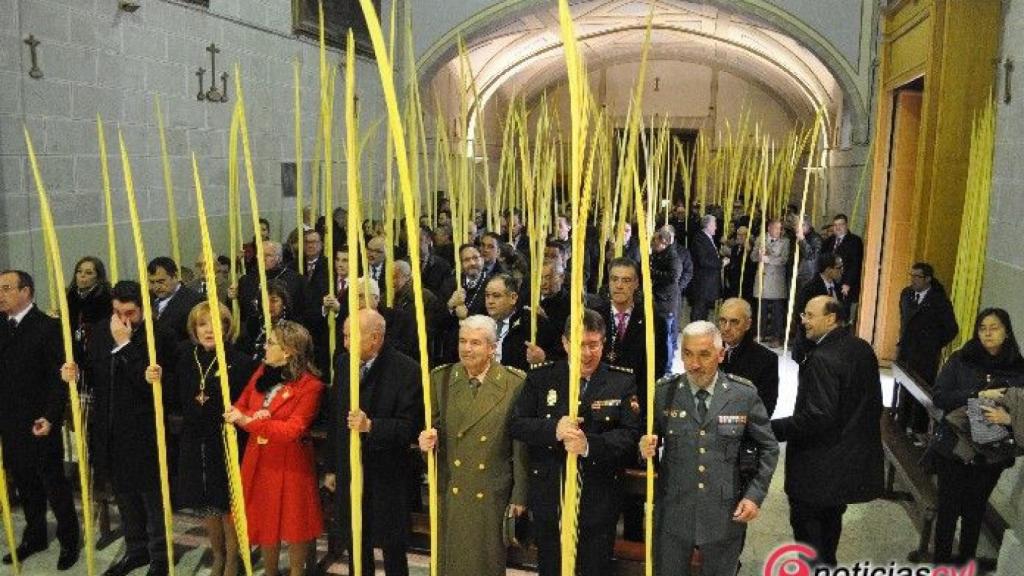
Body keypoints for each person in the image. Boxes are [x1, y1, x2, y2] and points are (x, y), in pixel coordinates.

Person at [639, 321, 778, 576]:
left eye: (704, 354)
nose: (694, 364)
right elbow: (646, 438)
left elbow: (769, 447)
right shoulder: (664, 393)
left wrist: (754, 495)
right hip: (674, 512)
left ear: (720, 353)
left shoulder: (742, 395)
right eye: (688, 354)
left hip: (724, 513)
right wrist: (644, 446)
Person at [511, 310, 641, 576]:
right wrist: (553, 429)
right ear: (565, 343)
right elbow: (517, 424)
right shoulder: (541, 377)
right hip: (551, 495)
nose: (587, 353)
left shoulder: (621, 381)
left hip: (598, 498)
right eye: (580, 345)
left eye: (594, 345)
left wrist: (589, 445)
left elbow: (629, 435)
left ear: (603, 344)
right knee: (552, 568)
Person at [70, 280, 177, 576]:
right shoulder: (105, 329)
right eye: (117, 311)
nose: (123, 319)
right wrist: (76, 372)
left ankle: (160, 556)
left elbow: (156, 390)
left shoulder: (161, 335)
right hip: (109, 427)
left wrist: (125, 345)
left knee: (151, 496)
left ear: (144, 309)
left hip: (144, 428)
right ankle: (136, 549)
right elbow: (96, 372)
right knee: (125, 495)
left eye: (129, 312)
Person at [772, 296, 884, 566]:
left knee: (810, 540)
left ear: (831, 318)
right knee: (830, 530)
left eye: (810, 316)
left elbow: (817, 417)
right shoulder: (860, 347)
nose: (804, 322)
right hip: (847, 463)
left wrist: (770, 428)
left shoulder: (823, 358)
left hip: (819, 468)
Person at [417, 315, 528, 576]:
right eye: (463, 341)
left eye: (476, 343)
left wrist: (519, 495)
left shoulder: (514, 384)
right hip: (451, 485)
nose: (467, 349)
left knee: (485, 563)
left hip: (490, 490)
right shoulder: (441, 379)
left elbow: (519, 445)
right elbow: (433, 431)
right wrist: (425, 444)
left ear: (492, 347)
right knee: (450, 561)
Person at [326, 309, 424, 576]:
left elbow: (409, 428)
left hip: (386, 474)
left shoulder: (406, 370)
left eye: (350, 337)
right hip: (350, 469)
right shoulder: (345, 363)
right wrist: (332, 467)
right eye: (344, 336)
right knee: (356, 541)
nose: (345, 343)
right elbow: (336, 418)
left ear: (376, 338)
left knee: (392, 546)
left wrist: (372, 426)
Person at [224, 320, 324, 576]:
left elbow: (294, 429)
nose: (264, 347)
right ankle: (270, 571)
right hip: (259, 458)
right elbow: (240, 406)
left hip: (290, 463)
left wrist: (253, 421)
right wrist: (252, 419)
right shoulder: (262, 373)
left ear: (288, 350)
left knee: (294, 522)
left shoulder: (310, 386)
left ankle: (295, 571)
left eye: (270, 343)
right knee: (265, 518)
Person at [0, 270, 80, 571]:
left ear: (26, 291)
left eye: (7, 288)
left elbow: (58, 379)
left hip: (38, 419)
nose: (0, 294)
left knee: (52, 482)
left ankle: (69, 539)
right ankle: (34, 536)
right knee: (24, 481)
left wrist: (50, 416)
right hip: (9, 420)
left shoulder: (48, 327)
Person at [930, 308, 1024, 564]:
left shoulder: (1018, 368)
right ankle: (940, 563)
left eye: (994, 327)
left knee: (975, 510)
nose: (988, 333)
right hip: (954, 446)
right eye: (982, 328)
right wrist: (978, 395)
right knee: (948, 511)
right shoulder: (962, 359)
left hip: (992, 453)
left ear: (1006, 332)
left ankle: (966, 562)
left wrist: (1009, 419)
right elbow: (940, 396)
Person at [171, 301, 256, 576]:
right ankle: (217, 554)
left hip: (227, 439)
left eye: (216, 323)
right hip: (196, 439)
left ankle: (233, 558)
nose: (209, 330)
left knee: (228, 503)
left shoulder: (240, 361)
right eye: (203, 324)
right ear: (194, 329)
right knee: (207, 502)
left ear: (227, 327)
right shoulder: (186, 358)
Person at [895, 262, 959, 434]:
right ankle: (901, 422)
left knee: (921, 391)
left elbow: (952, 329)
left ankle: (918, 429)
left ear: (928, 279)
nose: (913, 279)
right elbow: (904, 319)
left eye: (918, 276)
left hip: (925, 355)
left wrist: (933, 344)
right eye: (912, 275)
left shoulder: (938, 300)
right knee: (904, 387)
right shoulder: (906, 294)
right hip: (906, 349)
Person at [718, 297, 780, 416]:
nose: (726, 328)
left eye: (734, 322)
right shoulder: (707, 350)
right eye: (722, 320)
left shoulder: (766, 360)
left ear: (748, 324)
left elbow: (764, 410)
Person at [791, 252, 845, 364]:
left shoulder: (838, 287)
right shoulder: (810, 288)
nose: (841, 270)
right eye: (838, 267)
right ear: (828, 269)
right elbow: (800, 314)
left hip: (832, 345)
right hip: (811, 344)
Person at [750, 219, 791, 347]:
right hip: (762, 278)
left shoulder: (785, 241)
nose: (778, 231)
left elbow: (784, 259)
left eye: (780, 229)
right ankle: (760, 333)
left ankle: (776, 337)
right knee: (761, 309)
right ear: (769, 228)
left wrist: (768, 258)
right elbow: (752, 257)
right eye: (776, 228)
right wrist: (759, 254)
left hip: (777, 280)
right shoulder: (760, 239)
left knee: (777, 312)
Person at [67, 256, 113, 365]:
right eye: (79, 271)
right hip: (73, 349)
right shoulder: (70, 296)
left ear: (98, 277)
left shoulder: (105, 298)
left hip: (97, 351)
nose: (82, 275)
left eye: (89, 273)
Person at [148, 256, 204, 345]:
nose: (156, 287)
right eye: (152, 282)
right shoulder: (147, 300)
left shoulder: (194, 301)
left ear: (175, 276)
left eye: (161, 281)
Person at [650, 225, 683, 370]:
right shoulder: (659, 255)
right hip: (659, 300)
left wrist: (653, 272)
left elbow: (673, 277)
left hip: (666, 302)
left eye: (655, 240)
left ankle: (668, 368)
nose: (653, 243)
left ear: (663, 241)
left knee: (666, 338)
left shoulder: (672, 257)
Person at [820, 214, 863, 320]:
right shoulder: (829, 241)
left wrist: (847, 283)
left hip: (844, 283)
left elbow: (855, 264)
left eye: (841, 224)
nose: (838, 228)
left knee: (842, 311)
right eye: (835, 225)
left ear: (846, 225)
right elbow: (822, 259)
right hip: (829, 282)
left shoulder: (854, 241)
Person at [689, 214, 725, 321]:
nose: (716, 227)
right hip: (702, 283)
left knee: (703, 312)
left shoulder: (707, 238)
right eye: (714, 224)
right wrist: (721, 262)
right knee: (699, 311)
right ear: (708, 225)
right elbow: (704, 260)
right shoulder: (700, 239)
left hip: (707, 284)